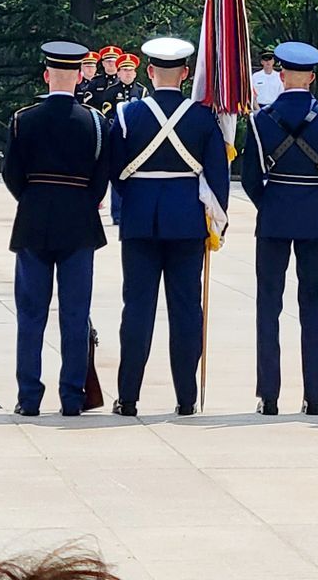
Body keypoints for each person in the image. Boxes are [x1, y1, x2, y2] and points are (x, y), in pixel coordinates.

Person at [108, 34, 228, 417]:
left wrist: (130, 202)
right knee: (187, 310)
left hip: (141, 219)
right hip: (187, 221)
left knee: (137, 310)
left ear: (149, 70)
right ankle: (187, 398)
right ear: (186, 73)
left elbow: (115, 171)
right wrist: (217, 222)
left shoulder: (128, 115)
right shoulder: (202, 118)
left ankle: (128, 397)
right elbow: (218, 178)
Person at [240, 39, 318, 416]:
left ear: (283, 74)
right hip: (316, 216)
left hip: (274, 215)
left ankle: (268, 395)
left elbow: (252, 179)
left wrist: (272, 204)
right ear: (312, 78)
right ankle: (314, 397)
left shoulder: (260, 120)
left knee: (268, 306)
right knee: (314, 306)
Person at [3, 41, 111, 418]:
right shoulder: (96, 122)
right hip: (79, 222)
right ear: (80, 76)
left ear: (46, 75)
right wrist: (81, 200)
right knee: (75, 314)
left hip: (34, 220)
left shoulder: (22, 118)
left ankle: (28, 397)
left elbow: (11, 175)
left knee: (31, 314)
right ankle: (71, 397)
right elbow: (101, 178)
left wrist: (33, 200)